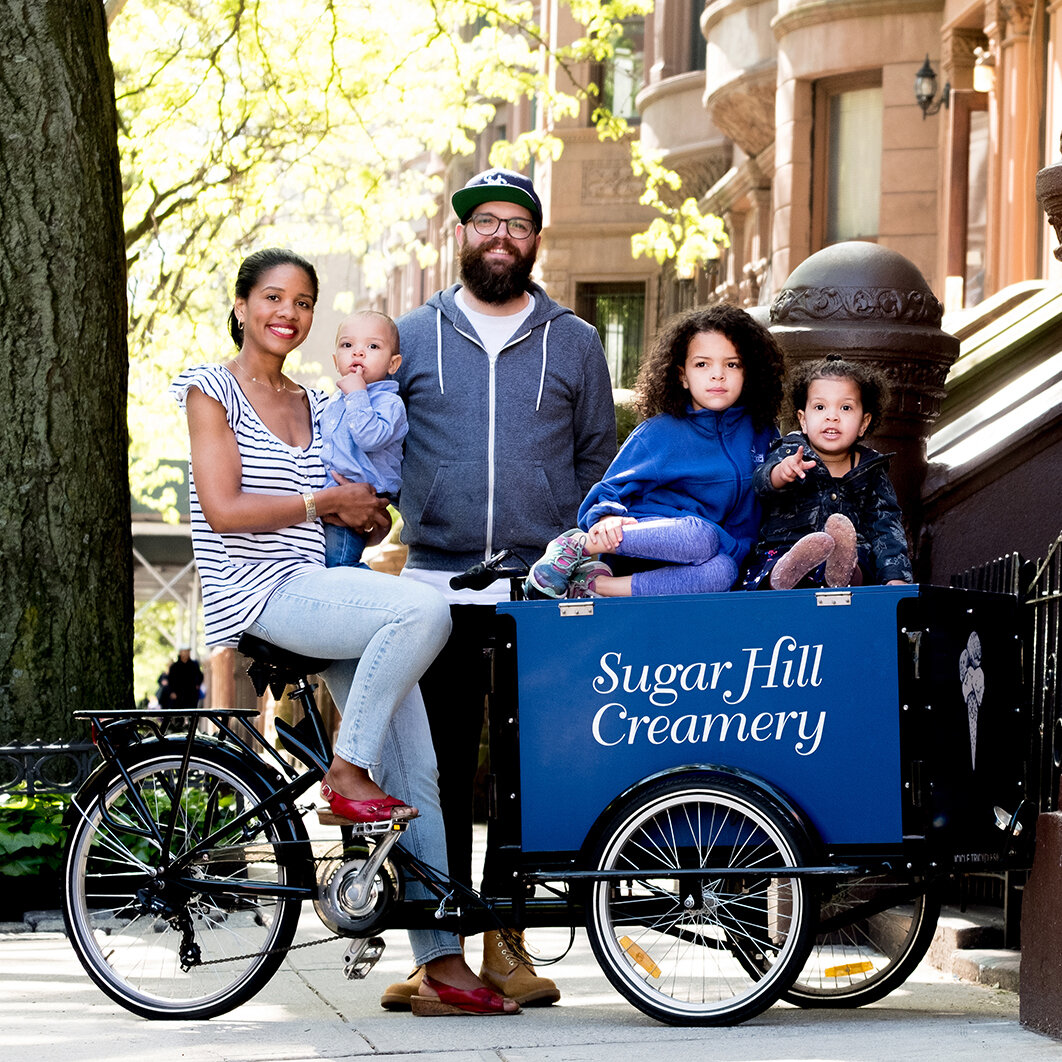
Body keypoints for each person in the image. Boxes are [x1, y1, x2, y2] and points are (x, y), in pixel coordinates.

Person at [170, 247, 518, 1017]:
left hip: (320, 588)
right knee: (422, 609)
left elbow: (355, 490)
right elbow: (225, 510)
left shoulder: (314, 400)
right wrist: (326, 505)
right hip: (259, 594)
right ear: (240, 305)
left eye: (301, 302)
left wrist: (366, 509)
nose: (285, 313)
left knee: (419, 771)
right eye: (270, 297)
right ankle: (346, 769)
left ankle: (441, 964)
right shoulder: (210, 390)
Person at [388, 168, 617, 1008]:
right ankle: (434, 950)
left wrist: (576, 555)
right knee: (434, 770)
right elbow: (376, 444)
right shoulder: (412, 335)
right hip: (433, 585)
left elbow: (600, 465)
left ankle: (508, 943)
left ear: (535, 240)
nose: (499, 237)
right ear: (461, 236)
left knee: (526, 771)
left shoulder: (576, 341)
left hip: (539, 591)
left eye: (516, 225)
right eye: (484, 222)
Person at [525, 303, 784, 600]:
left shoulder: (761, 433)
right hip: (651, 544)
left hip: (714, 555)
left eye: (732, 364)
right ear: (682, 376)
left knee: (723, 572)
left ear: (748, 372)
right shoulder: (659, 433)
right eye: (702, 364)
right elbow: (608, 491)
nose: (717, 375)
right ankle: (574, 547)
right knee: (700, 536)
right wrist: (606, 518)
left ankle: (591, 586)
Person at [741, 354, 914, 590]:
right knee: (774, 566)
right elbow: (760, 484)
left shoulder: (871, 470)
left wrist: (896, 576)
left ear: (864, 423)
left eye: (845, 407)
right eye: (820, 407)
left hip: (851, 560)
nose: (832, 416)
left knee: (859, 564)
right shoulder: (791, 452)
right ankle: (785, 577)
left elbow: (887, 528)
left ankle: (841, 573)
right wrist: (781, 474)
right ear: (803, 420)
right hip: (787, 548)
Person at [319, 310, 406, 568]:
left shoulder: (390, 404)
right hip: (330, 503)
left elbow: (369, 438)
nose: (358, 353)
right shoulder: (335, 401)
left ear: (393, 364)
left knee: (339, 568)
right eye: (348, 345)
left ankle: (376, 590)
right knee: (324, 570)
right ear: (336, 361)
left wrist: (358, 394)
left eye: (372, 346)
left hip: (357, 506)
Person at [161, 645, 203, 710]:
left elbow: (200, 676)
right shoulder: (174, 667)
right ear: (180, 653)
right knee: (178, 716)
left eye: (188, 652)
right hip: (178, 696)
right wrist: (172, 692)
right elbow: (170, 681)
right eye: (184, 651)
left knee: (192, 715)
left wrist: (197, 684)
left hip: (191, 695)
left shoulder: (194, 665)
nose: (186, 653)